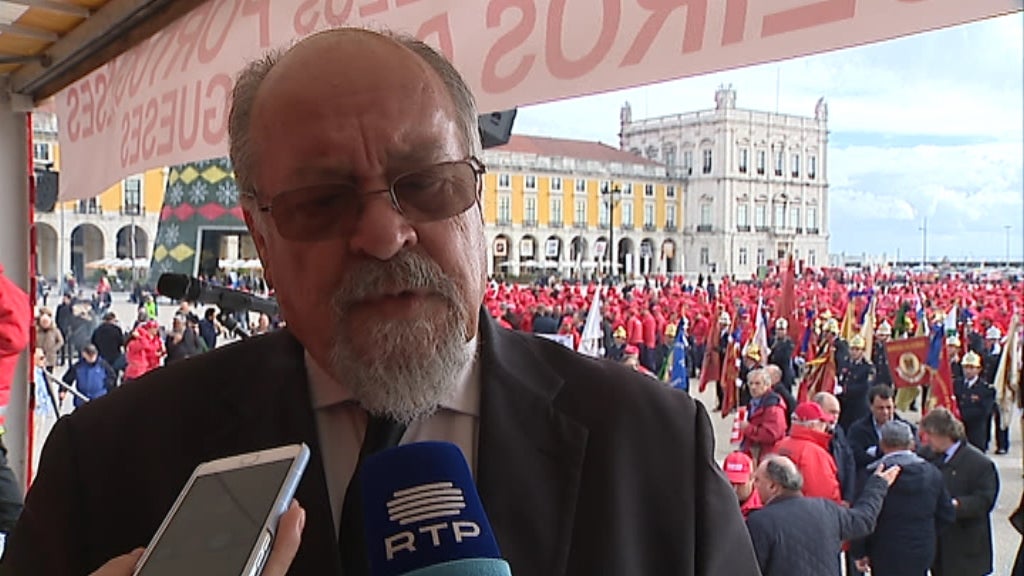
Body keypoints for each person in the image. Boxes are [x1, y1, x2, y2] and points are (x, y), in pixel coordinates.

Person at [4, 28, 759, 575]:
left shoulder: (657, 448)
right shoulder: (104, 465)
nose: (383, 234)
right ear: (261, 237)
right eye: (322, 200)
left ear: (477, 201)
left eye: (426, 184)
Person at [745, 454, 900, 576]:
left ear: (773, 486)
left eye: (757, 480)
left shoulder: (759, 521)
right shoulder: (826, 508)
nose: (754, 484)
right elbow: (863, 520)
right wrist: (878, 485)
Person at [851, 420, 955, 576]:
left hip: (884, 551)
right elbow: (947, 514)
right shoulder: (932, 473)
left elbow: (863, 517)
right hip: (921, 550)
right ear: (911, 444)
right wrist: (926, 533)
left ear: (882, 444)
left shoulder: (872, 476)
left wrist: (859, 552)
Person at [920, 407, 1000, 576]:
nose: (927, 440)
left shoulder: (980, 464)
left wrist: (956, 505)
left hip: (966, 549)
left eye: (930, 435)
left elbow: (984, 500)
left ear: (942, 434)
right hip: (939, 550)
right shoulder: (926, 457)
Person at [847, 384, 916, 492]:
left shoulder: (908, 428)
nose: (885, 412)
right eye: (880, 408)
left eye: (889, 407)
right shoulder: (857, 430)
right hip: (869, 482)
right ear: (871, 407)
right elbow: (854, 456)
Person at [774, 402, 842, 502]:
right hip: (807, 508)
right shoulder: (815, 453)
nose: (825, 427)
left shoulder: (780, 445)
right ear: (812, 425)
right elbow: (823, 494)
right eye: (822, 422)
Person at [812, 392, 857, 503]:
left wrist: (848, 498)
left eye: (837, 413)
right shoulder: (808, 437)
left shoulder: (839, 432)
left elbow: (849, 463)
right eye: (832, 412)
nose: (835, 417)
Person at [739, 368, 787, 462]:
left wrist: (748, 428)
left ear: (767, 385)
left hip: (767, 455)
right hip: (754, 453)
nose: (753, 387)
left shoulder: (773, 407)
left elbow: (772, 435)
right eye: (751, 383)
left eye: (757, 383)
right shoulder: (753, 402)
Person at [954, 351, 996, 452]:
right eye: (965, 367)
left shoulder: (986, 389)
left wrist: (962, 415)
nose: (968, 371)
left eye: (971, 368)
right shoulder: (956, 384)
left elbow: (985, 411)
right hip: (958, 431)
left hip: (976, 434)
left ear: (979, 369)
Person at [836, 334, 875, 432]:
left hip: (858, 406)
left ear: (862, 351)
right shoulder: (845, 363)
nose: (854, 352)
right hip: (845, 404)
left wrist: (845, 389)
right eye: (852, 349)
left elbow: (865, 387)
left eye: (857, 349)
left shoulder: (867, 367)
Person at [62, 344, 116, 409]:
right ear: (84, 354)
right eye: (89, 355)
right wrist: (63, 390)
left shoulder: (103, 365)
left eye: (93, 355)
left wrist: (107, 386)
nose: (91, 357)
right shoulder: (78, 366)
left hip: (99, 400)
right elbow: (67, 379)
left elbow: (112, 377)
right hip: (82, 400)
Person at [722, 451, 762, 518]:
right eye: (731, 483)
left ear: (752, 478)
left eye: (740, 483)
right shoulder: (716, 501)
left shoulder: (763, 505)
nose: (735, 488)